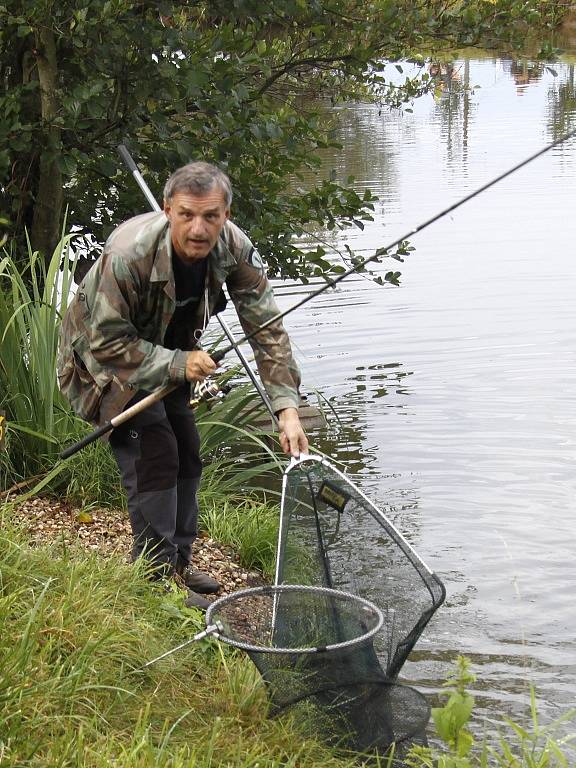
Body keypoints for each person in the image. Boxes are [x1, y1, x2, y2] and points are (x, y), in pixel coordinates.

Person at [58, 161, 308, 608]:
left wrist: (286, 409)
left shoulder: (233, 248)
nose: (199, 228)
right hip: (99, 361)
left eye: (211, 216)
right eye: (187, 215)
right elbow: (107, 342)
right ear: (169, 209)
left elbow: (267, 329)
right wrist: (178, 363)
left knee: (187, 448)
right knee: (154, 449)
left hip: (166, 355)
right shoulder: (127, 255)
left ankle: (179, 560)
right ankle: (154, 579)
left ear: (225, 215)